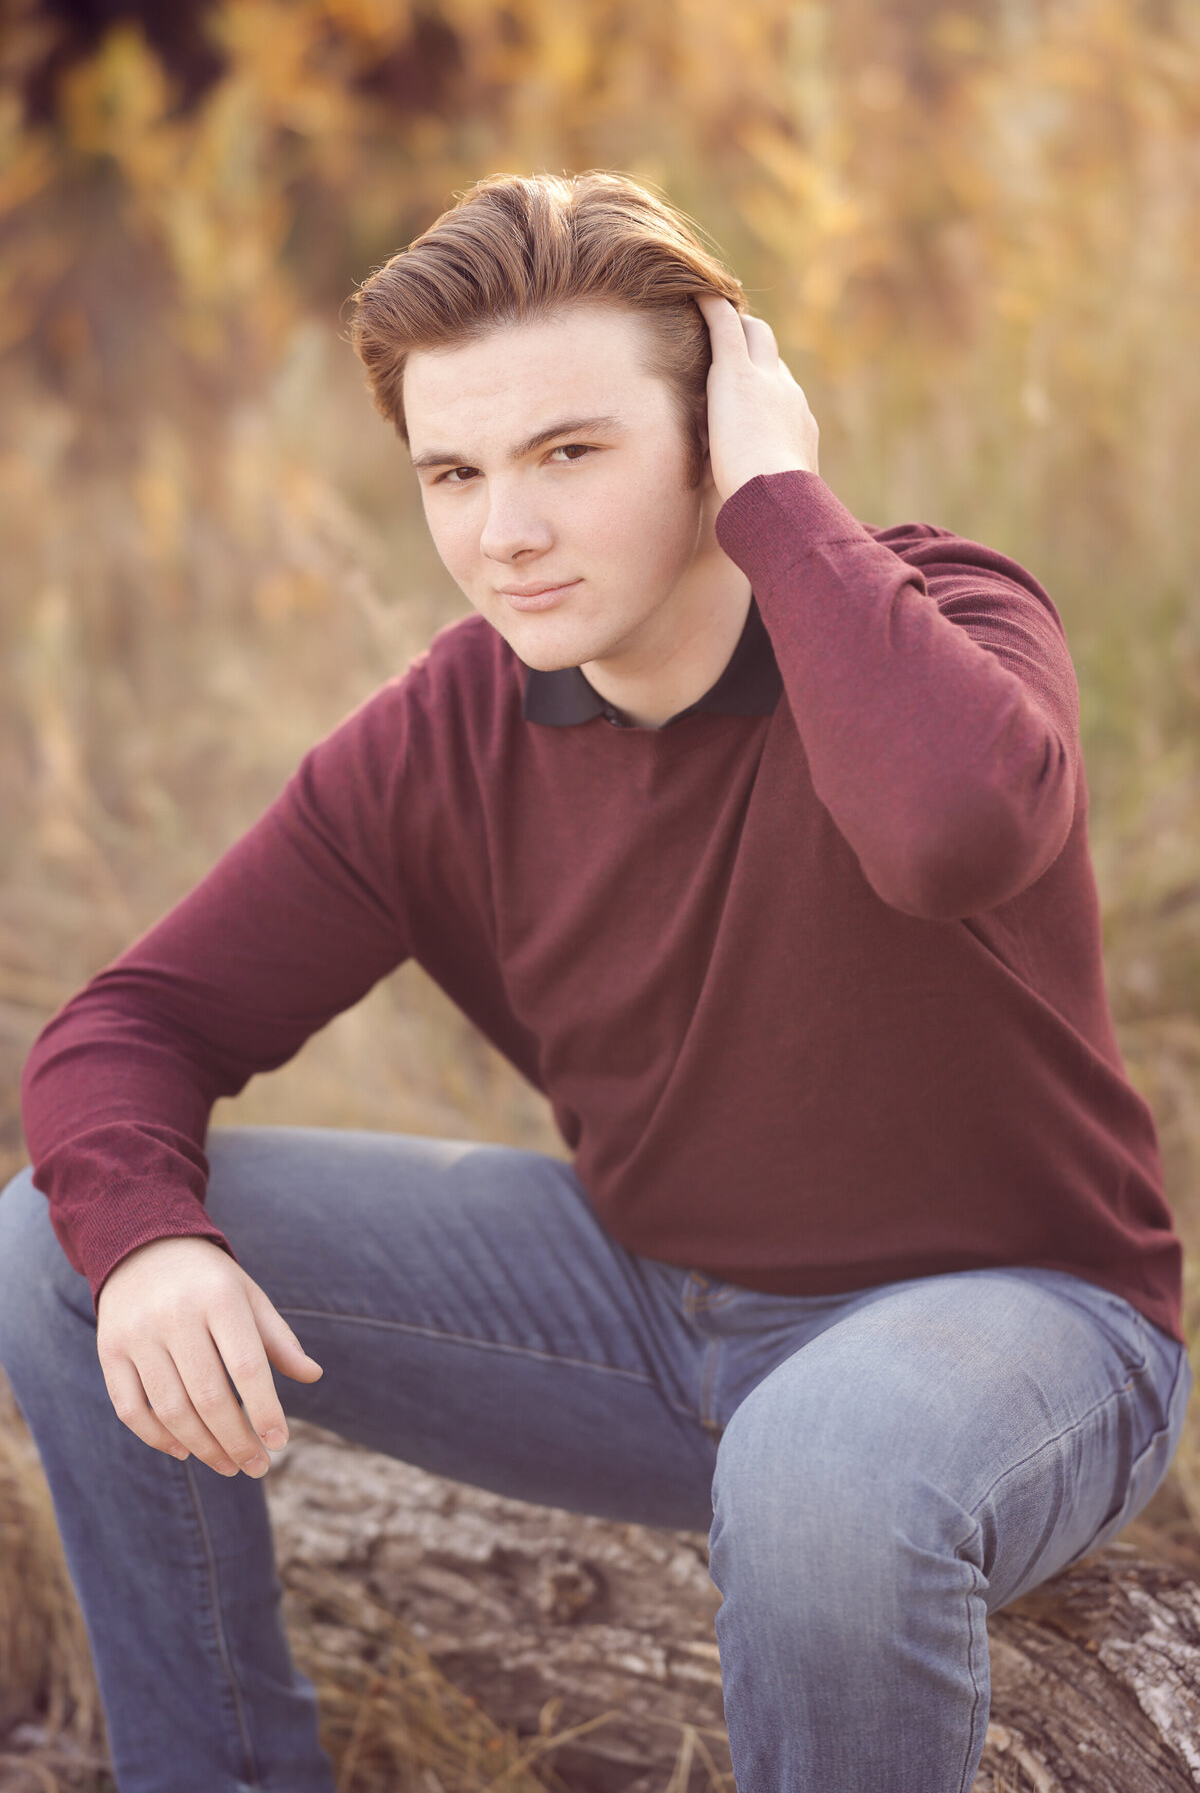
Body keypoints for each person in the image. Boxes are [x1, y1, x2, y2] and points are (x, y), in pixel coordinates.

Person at [0, 169, 1189, 1793]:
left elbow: (949, 835)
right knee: (61, 1250)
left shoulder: (945, 617)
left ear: (721, 424)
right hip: (642, 1315)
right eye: (456, 471)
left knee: (823, 1473)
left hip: (1019, 1331)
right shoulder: (447, 734)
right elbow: (132, 1026)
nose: (508, 533)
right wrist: (149, 1249)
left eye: (571, 451)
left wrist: (781, 503)